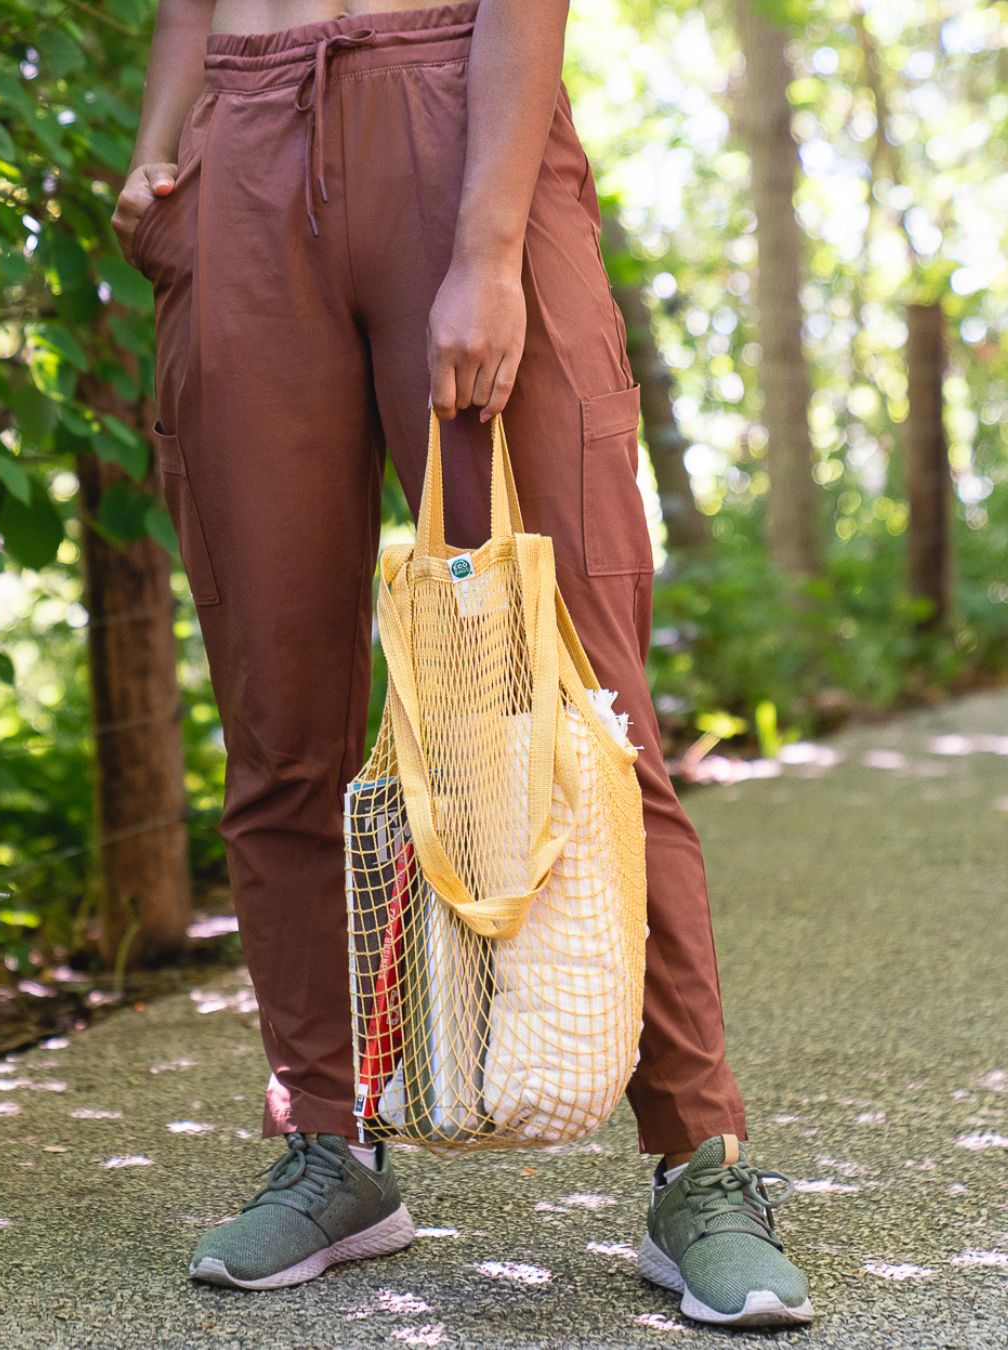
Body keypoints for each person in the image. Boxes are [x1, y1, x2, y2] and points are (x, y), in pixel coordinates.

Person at [113, 0, 813, 1328]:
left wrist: (489, 248)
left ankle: (697, 1159)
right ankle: (331, 1141)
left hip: (458, 109)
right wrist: (160, 155)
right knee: (279, 719)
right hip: (243, 154)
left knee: (579, 701)